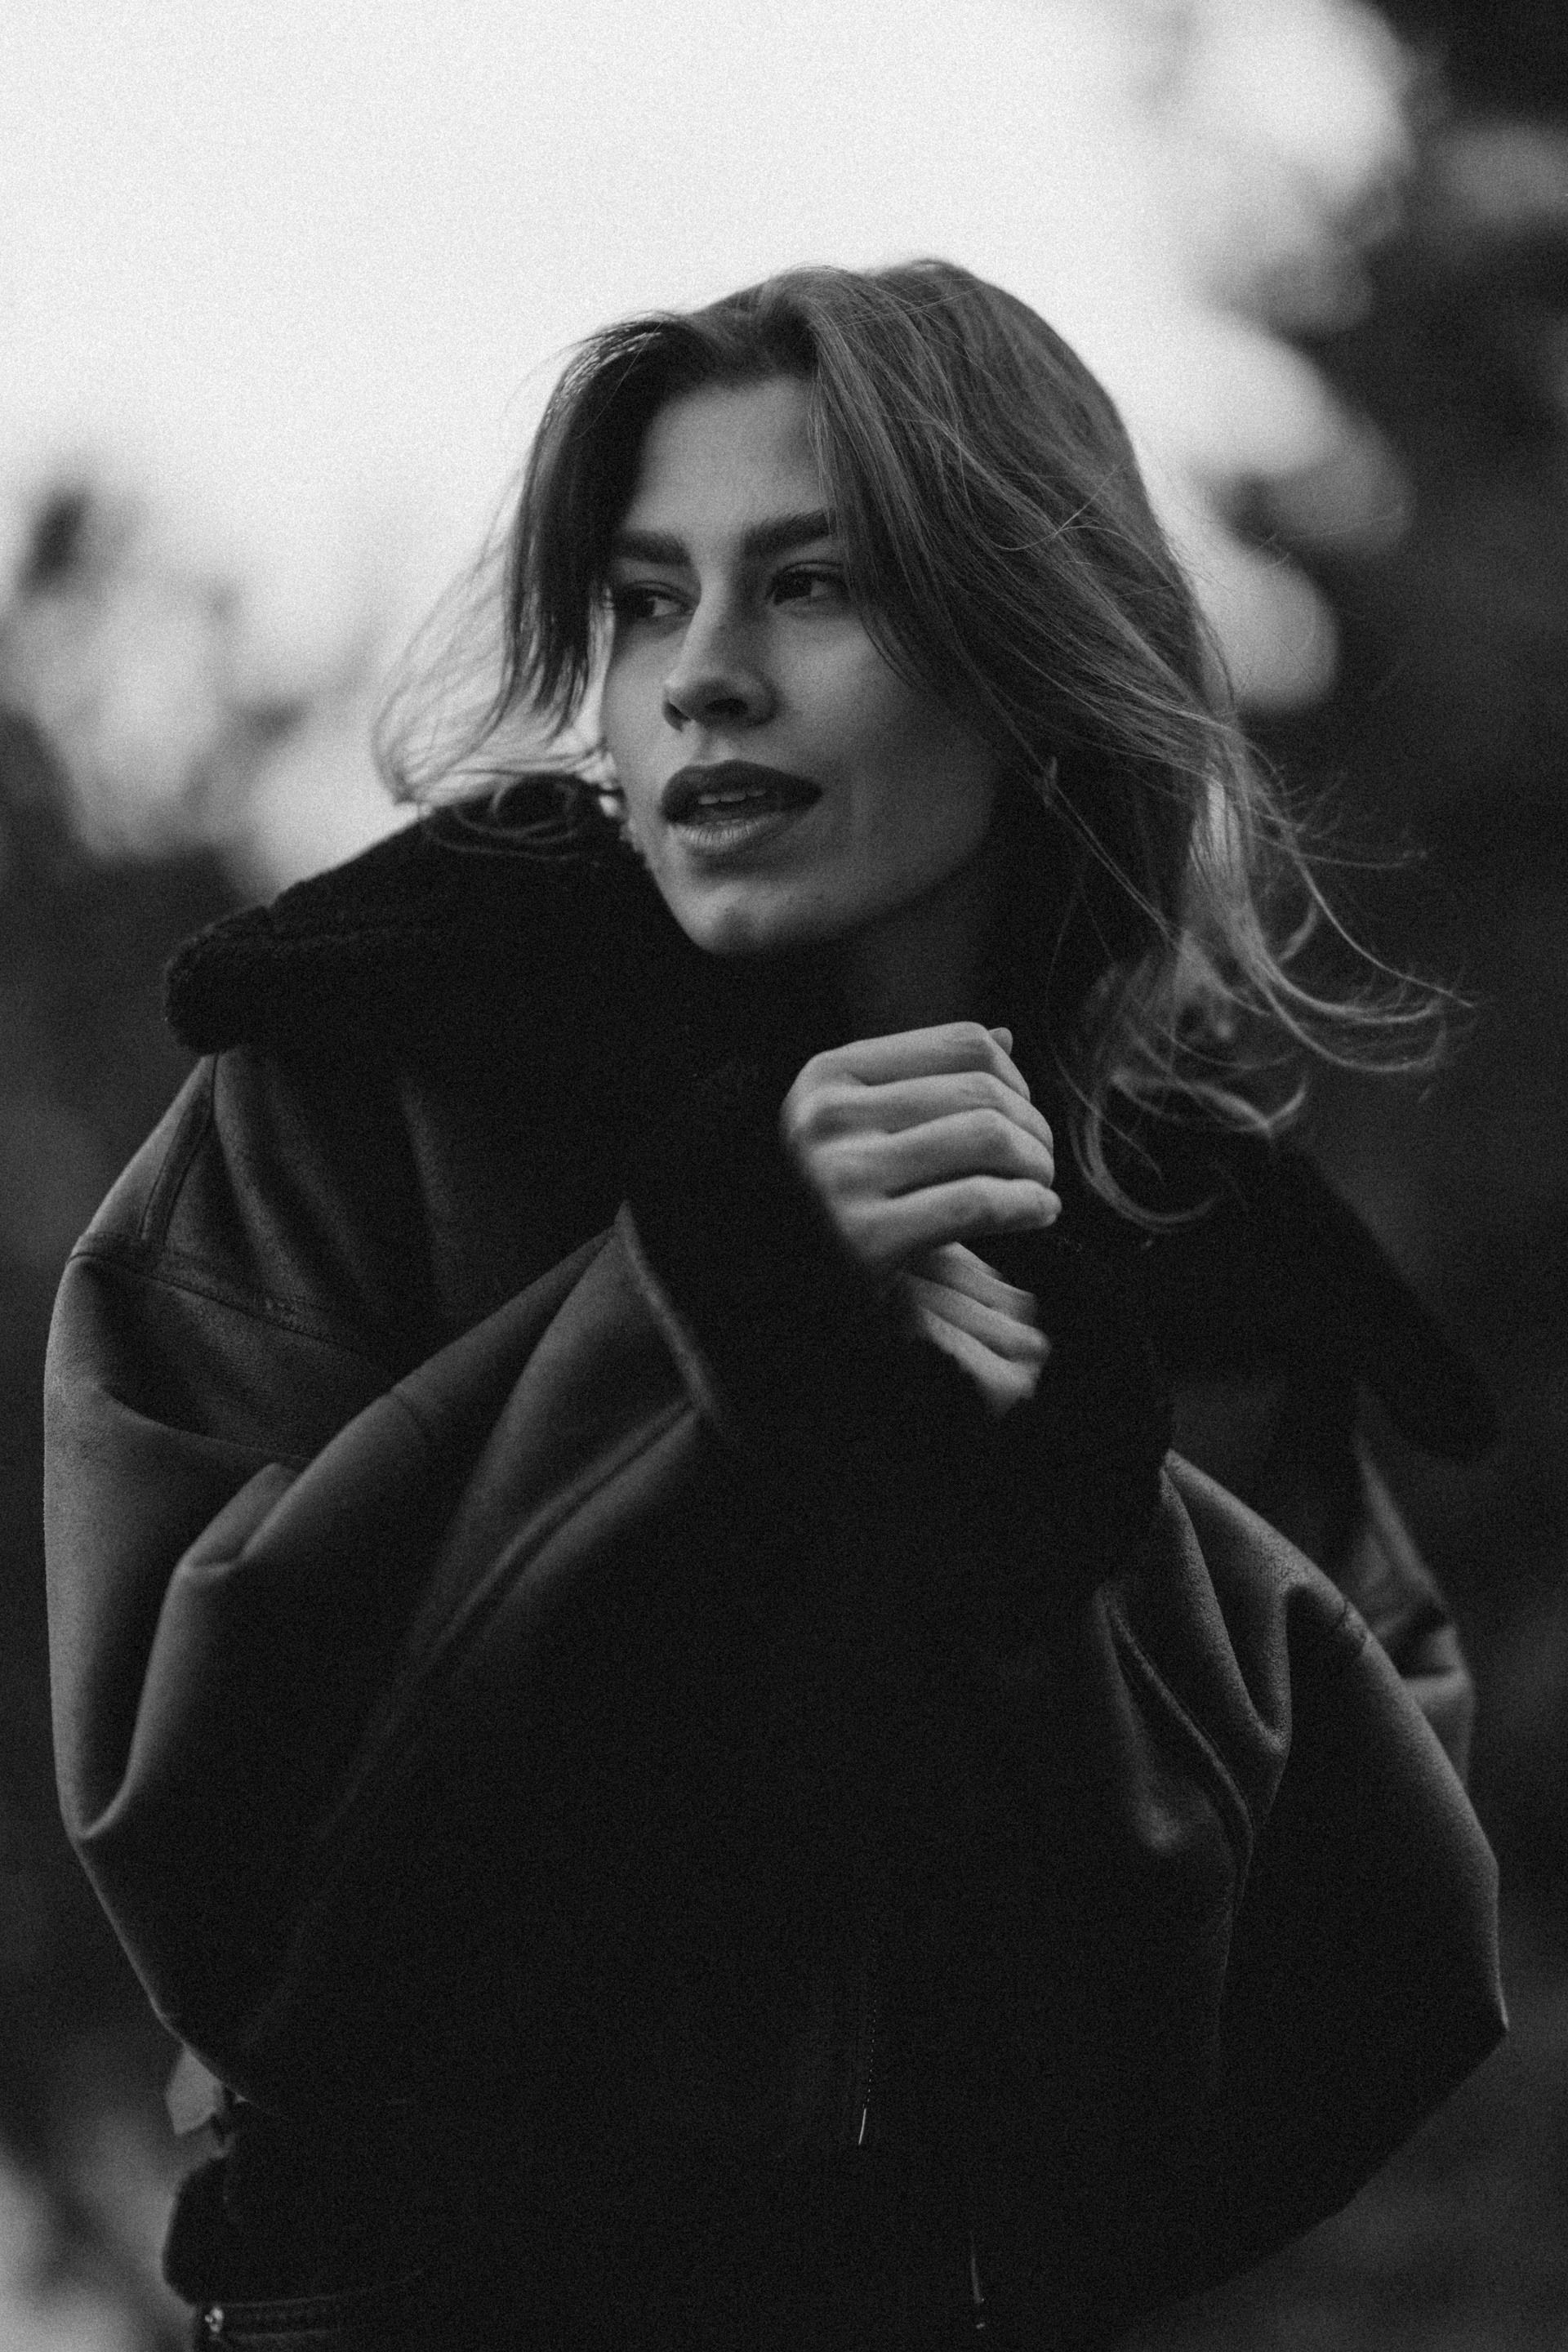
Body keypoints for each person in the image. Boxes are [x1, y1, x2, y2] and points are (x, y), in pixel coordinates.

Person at [44, 261, 1504, 2351]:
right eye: (647, 603)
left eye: (812, 587)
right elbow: (217, 1862)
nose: (705, 680)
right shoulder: (360, 1084)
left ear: (1033, 658)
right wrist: (719, 1305)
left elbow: (1331, 2026)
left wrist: (1042, 1473)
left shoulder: (1204, 1263)